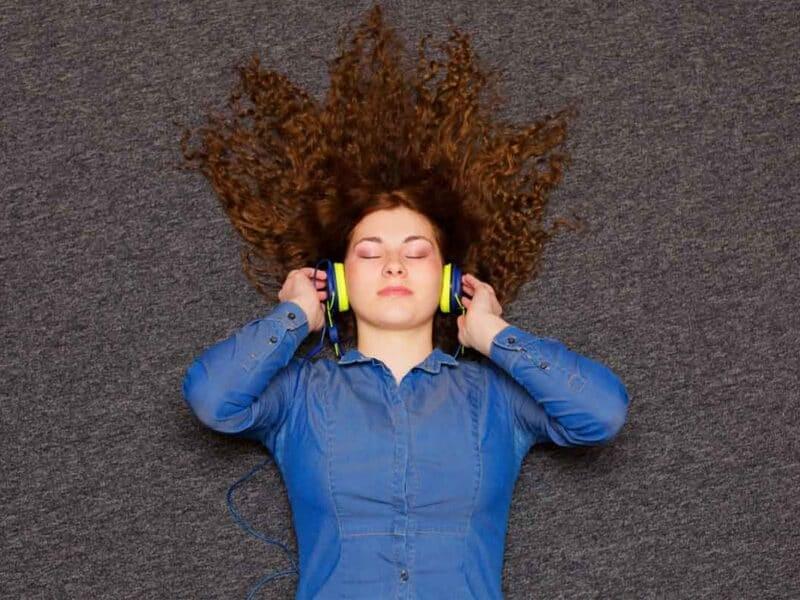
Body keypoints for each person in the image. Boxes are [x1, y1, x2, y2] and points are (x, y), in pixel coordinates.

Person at [178, 4, 629, 598]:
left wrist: (493, 334)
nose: (393, 263)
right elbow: (212, 400)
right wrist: (291, 317)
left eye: (416, 252)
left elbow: (602, 414)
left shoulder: (496, 398)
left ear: (448, 281)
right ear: (336, 281)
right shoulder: (299, 396)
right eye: (370, 252)